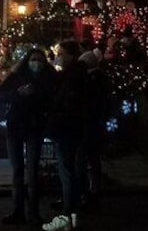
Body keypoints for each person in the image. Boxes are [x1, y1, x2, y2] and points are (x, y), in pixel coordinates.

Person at [0, 47, 58, 227]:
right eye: (33, 60)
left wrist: (38, 95)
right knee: (17, 170)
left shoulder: (49, 78)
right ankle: (18, 211)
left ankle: (34, 212)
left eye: (40, 60)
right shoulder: (17, 76)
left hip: (35, 127)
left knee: (32, 171)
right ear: (27, 61)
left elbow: (53, 100)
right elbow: (1, 95)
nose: (37, 63)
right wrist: (18, 94)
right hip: (16, 125)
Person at [43, 40, 87, 231]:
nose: (58, 57)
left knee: (67, 172)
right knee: (72, 171)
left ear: (70, 55)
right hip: (74, 129)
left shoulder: (73, 77)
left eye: (61, 54)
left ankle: (67, 215)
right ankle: (73, 215)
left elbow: (67, 104)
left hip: (69, 129)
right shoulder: (75, 75)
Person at [76, 50, 109, 208]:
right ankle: (92, 192)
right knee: (92, 160)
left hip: (90, 126)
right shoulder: (97, 79)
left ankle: (90, 193)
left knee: (88, 160)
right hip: (94, 126)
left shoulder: (92, 80)